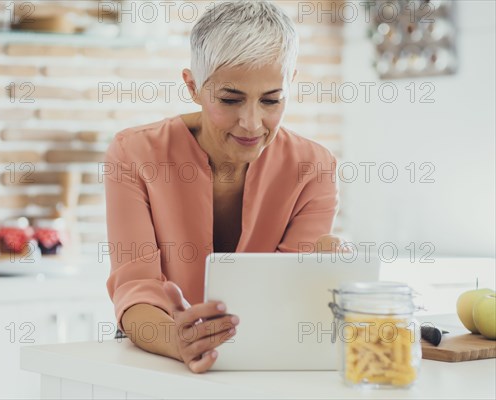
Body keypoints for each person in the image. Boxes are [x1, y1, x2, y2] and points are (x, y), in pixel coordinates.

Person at [105, 0, 342, 373]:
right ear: (193, 86)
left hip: (263, 355)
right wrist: (176, 340)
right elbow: (135, 287)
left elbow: (286, 295)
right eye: (230, 100)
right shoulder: (133, 153)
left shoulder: (313, 167)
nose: (251, 123)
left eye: (271, 100)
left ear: (290, 85)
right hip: (159, 352)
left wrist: (327, 276)